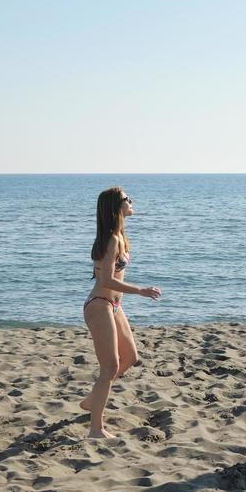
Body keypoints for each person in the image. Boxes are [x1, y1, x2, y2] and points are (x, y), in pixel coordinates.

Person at [80, 187, 161, 437]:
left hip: (114, 306)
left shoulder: (119, 236)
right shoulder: (112, 240)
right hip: (100, 304)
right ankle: (96, 429)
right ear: (117, 207)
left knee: (130, 357)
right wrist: (140, 290)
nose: (131, 201)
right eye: (127, 199)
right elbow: (105, 280)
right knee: (110, 367)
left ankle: (92, 399)